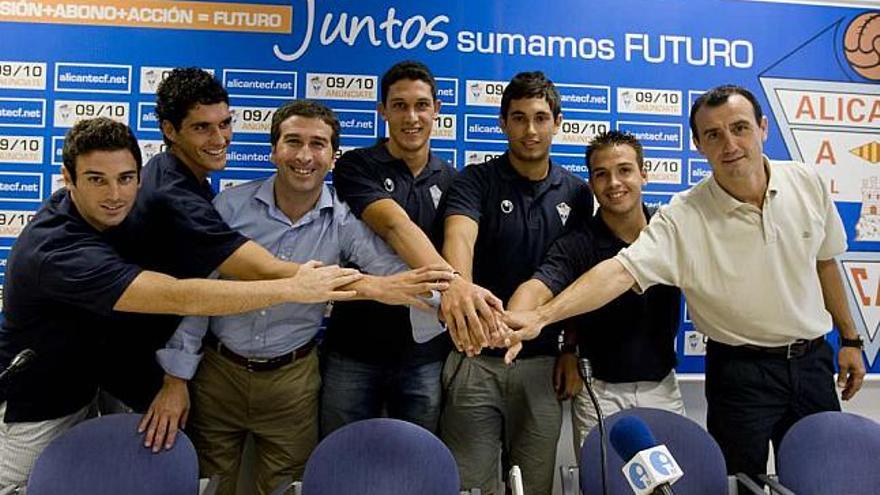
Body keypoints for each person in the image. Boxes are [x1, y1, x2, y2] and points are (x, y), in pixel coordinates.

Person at [503, 85, 867, 478]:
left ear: (763, 128)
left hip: (813, 361)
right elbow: (618, 271)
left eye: (740, 128)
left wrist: (849, 339)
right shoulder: (683, 216)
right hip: (740, 374)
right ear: (697, 144)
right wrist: (542, 316)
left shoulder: (808, 182)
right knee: (739, 482)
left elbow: (825, 262)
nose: (730, 144)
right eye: (713, 135)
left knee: (824, 478)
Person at [0, 118, 360, 491]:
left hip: (90, 387)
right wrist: (291, 288)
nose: (114, 194)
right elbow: (179, 295)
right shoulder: (57, 250)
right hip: (36, 403)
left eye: (125, 178)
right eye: (96, 179)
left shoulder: (112, 213)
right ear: (67, 178)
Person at [142, 100, 452, 495]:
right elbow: (197, 299)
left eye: (318, 144)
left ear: (333, 156)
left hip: (293, 384)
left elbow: (395, 274)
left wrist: (458, 301)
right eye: (293, 142)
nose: (305, 156)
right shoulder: (228, 207)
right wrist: (175, 378)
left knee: (287, 488)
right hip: (218, 376)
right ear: (273, 150)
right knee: (209, 484)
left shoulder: (343, 221)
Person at [105, 67, 316, 413]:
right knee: (138, 464)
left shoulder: (176, 173)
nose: (219, 138)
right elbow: (262, 270)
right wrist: (340, 283)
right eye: (202, 127)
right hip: (133, 366)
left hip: (146, 357)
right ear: (169, 130)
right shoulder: (174, 193)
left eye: (225, 123)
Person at [321, 60, 498, 437]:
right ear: (382, 111)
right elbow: (393, 225)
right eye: (399, 105)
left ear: (437, 109)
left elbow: (459, 241)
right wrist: (457, 286)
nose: (411, 116)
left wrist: (460, 285)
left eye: (421, 105)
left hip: (424, 357)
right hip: (353, 349)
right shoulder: (356, 165)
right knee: (341, 459)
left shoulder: (456, 179)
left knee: (417, 460)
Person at [439, 71, 593, 495]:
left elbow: (580, 281)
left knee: (534, 486)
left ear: (557, 122)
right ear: (503, 122)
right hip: (475, 359)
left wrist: (571, 349)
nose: (530, 130)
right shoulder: (475, 181)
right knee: (471, 486)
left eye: (541, 118)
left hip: (543, 366)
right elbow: (459, 238)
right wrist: (461, 292)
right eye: (519, 118)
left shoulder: (578, 194)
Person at [506, 130, 684, 462]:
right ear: (591, 183)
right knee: (602, 485)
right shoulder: (579, 242)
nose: (614, 182)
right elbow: (540, 286)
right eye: (601, 174)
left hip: (663, 386)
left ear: (644, 174)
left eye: (624, 170)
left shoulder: (671, 229)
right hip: (597, 391)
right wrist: (514, 320)